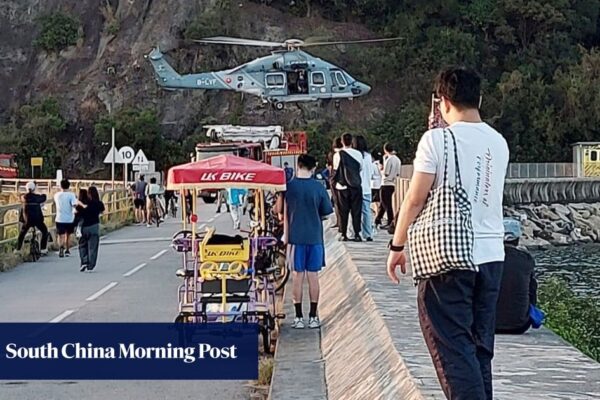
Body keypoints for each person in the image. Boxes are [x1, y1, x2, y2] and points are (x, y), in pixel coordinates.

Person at [387, 67, 509, 400]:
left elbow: (415, 198)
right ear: (479, 99)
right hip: (492, 259)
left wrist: (398, 244)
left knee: (452, 349)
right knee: (479, 349)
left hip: (450, 259)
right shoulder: (498, 142)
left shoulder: (436, 139)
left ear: (443, 101)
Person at [284, 154, 333, 329]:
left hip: (295, 239)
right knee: (313, 276)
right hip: (315, 238)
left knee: (297, 276)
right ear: (314, 168)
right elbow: (326, 212)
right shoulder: (319, 187)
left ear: (298, 166)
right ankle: (313, 316)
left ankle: (298, 317)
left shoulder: (288, 187)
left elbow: (278, 210)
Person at [496, 218, 539, 334]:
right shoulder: (526, 259)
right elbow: (532, 291)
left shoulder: (490, 258)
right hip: (521, 325)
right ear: (518, 238)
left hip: (489, 324)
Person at [332, 133, 363, 242]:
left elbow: (336, 169)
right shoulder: (358, 154)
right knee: (356, 211)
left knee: (343, 211)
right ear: (351, 142)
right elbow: (360, 168)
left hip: (342, 186)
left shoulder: (338, 155)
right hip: (355, 185)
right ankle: (357, 234)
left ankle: (344, 233)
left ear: (342, 142)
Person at [16, 182, 49, 255]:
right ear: (34, 188)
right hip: (37, 220)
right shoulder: (37, 197)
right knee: (45, 231)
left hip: (27, 220)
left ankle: (18, 249)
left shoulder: (23, 197)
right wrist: (40, 192)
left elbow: (20, 196)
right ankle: (43, 249)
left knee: (22, 234)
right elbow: (44, 197)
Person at [353, 136, 376, 241]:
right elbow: (371, 173)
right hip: (367, 187)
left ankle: (356, 232)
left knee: (354, 211)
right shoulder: (368, 157)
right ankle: (368, 234)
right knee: (367, 212)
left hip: (356, 187)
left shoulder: (354, 155)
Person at [375, 143, 401, 230]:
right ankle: (377, 219)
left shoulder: (389, 159)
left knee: (386, 204)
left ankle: (390, 221)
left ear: (385, 150)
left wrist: (380, 169)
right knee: (383, 203)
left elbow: (385, 173)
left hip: (385, 183)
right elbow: (398, 173)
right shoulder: (398, 160)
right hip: (393, 183)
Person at [78, 186, 105, 272]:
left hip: (83, 227)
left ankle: (84, 261)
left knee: (82, 245)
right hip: (94, 226)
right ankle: (91, 265)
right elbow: (102, 211)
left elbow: (77, 213)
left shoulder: (83, 203)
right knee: (92, 247)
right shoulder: (98, 203)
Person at [54, 179, 77, 258]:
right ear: (69, 186)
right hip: (69, 218)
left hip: (59, 217)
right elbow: (74, 205)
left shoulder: (57, 195)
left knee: (60, 235)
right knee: (68, 235)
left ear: (61, 186)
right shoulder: (71, 195)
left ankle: (60, 247)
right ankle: (67, 250)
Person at [329, 138, 343, 231]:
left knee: (337, 203)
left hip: (337, 181)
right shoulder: (350, 153)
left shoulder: (335, 155)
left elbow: (334, 169)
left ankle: (339, 223)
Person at [371, 157, 383, 224]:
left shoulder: (373, 165)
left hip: (374, 184)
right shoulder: (381, 163)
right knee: (379, 201)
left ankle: (377, 215)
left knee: (376, 202)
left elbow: (371, 175)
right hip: (381, 183)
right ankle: (378, 216)